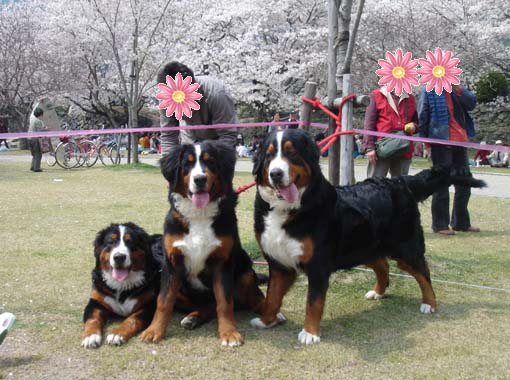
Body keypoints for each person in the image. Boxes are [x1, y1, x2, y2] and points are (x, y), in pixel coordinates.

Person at [418, 84, 480, 235]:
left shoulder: (456, 90)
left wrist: (458, 88)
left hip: (460, 141)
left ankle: (461, 223)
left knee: (465, 183)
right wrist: (425, 143)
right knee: (441, 184)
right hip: (440, 142)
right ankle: (440, 225)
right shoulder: (429, 91)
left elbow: (471, 103)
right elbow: (422, 116)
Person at [158, 61, 238, 155]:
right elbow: (169, 136)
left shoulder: (216, 93)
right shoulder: (166, 98)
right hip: (189, 139)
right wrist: (169, 165)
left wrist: (215, 160)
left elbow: (227, 134)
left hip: (218, 140)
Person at [363, 85, 418, 178]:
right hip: (381, 149)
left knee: (400, 186)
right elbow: (369, 123)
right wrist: (369, 148)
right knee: (374, 186)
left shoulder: (410, 98)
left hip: (403, 149)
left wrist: (414, 126)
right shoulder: (376, 95)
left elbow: (416, 122)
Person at [28, 107, 46, 172]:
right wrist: (46, 129)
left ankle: (33, 166)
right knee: (38, 153)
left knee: (34, 154)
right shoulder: (38, 121)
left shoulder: (32, 120)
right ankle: (37, 168)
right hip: (35, 139)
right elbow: (39, 130)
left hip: (29, 138)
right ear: (41, 114)